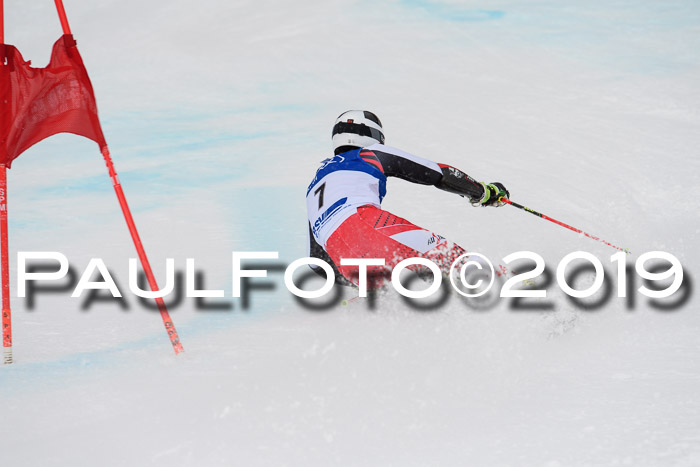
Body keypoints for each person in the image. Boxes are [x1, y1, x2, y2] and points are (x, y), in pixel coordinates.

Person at [306, 110, 509, 288]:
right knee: (450, 258)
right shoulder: (369, 154)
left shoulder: (313, 186)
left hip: (340, 254)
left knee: (415, 293)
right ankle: (509, 283)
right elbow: (437, 173)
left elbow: (318, 263)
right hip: (365, 222)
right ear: (372, 134)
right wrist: (484, 192)